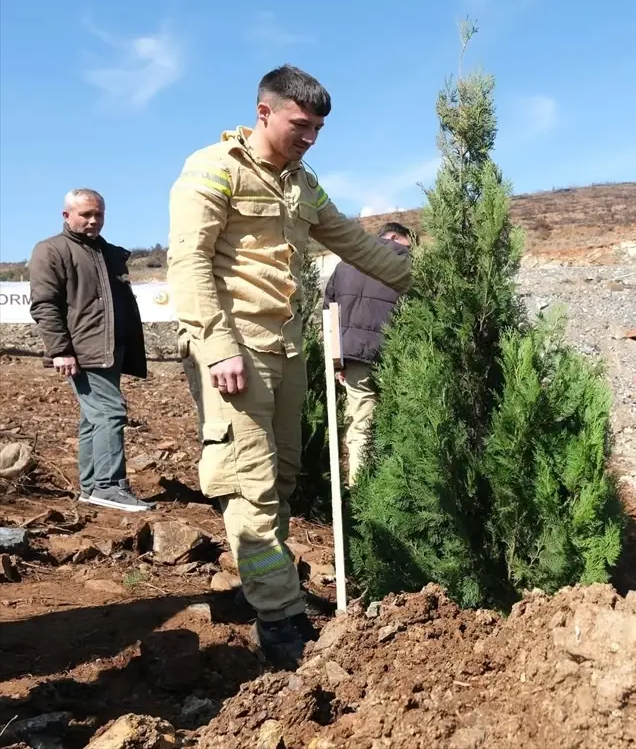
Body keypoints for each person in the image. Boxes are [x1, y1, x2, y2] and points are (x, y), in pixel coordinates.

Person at [166, 65, 413, 667]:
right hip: (234, 348)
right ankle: (281, 623)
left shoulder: (305, 182)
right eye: (301, 125)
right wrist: (218, 345)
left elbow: (355, 244)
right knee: (250, 482)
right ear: (265, 112)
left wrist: (436, 286)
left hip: (286, 348)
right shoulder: (212, 169)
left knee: (282, 479)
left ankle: (273, 595)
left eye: (319, 128)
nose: (310, 137)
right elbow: (189, 262)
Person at [29, 189, 154, 513]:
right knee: (111, 412)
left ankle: (91, 486)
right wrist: (60, 350)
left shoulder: (105, 252)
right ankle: (110, 486)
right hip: (82, 351)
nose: (94, 220)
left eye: (98, 214)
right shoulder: (51, 250)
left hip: (109, 350)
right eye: (86, 214)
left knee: (93, 417)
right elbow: (45, 305)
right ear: (66, 215)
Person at [323, 221, 413, 483]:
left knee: (361, 424)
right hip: (394, 357)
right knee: (398, 424)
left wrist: (337, 361)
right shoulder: (407, 263)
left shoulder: (345, 264)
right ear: (396, 237)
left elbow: (329, 313)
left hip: (353, 359)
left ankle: (359, 491)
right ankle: (393, 491)